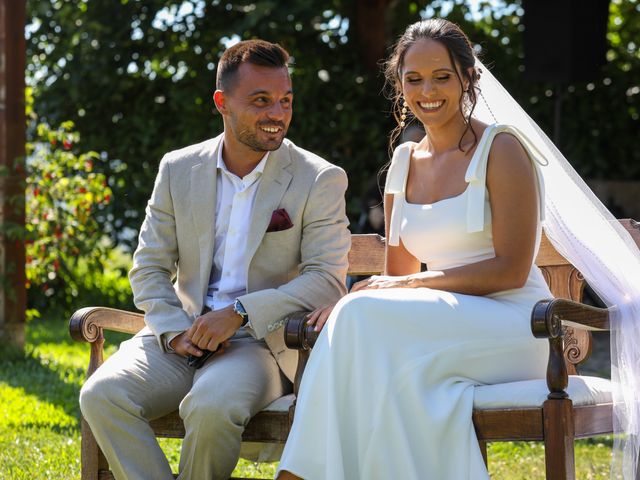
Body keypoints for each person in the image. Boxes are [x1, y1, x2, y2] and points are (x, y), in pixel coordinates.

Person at [277, 18, 640, 479]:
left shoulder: (502, 148)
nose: (427, 90)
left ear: (468, 77)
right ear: (399, 85)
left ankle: (300, 474)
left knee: (362, 323)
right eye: (414, 79)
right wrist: (362, 294)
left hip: (518, 326)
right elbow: (394, 281)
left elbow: (509, 270)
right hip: (443, 328)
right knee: (377, 348)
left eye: (442, 76)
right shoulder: (404, 163)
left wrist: (403, 284)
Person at [78, 39, 351, 480]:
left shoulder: (317, 177)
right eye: (260, 101)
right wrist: (172, 330)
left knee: (210, 405)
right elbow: (148, 267)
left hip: (263, 343)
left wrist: (239, 314)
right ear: (222, 102)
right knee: (102, 394)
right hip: (179, 335)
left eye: (285, 100)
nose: (277, 114)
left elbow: (326, 281)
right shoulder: (178, 168)